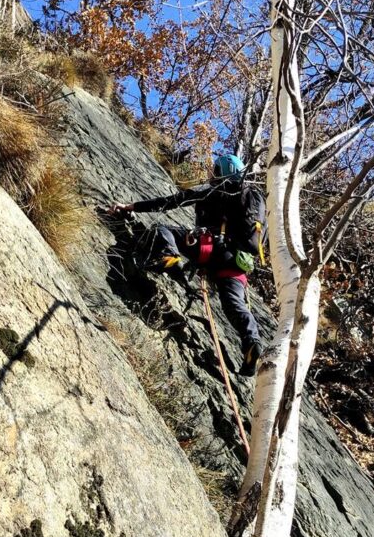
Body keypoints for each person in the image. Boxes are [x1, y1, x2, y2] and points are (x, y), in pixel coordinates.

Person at [107, 153, 266, 375]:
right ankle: (251, 342)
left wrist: (130, 207)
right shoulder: (249, 198)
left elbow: (171, 202)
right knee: (235, 305)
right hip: (237, 264)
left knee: (162, 230)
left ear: (221, 172)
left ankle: (168, 255)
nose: (210, 173)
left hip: (208, 250)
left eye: (214, 169)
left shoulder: (212, 190)